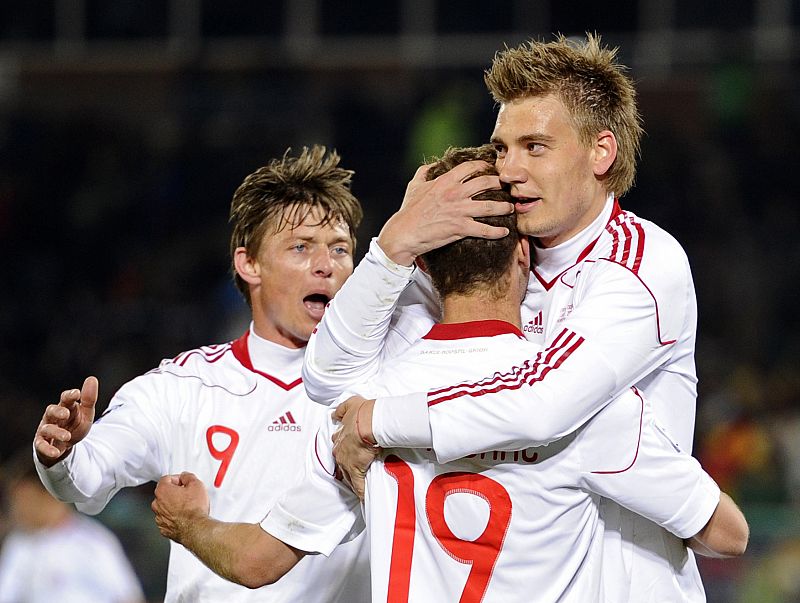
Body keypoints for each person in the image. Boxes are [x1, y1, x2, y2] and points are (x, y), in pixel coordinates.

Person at [149, 146, 748, 602]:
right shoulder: (585, 405)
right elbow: (728, 534)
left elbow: (256, 562)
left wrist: (191, 524)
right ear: (523, 254)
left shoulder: (359, 420)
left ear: (426, 270)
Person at [303, 35, 710, 602]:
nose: (510, 168)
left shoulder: (640, 264)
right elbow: (327, 377)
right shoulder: (487, 253)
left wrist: (378, 420)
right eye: (502, 147)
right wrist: (393, 246)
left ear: (601, 153)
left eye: (535, 147)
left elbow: (547, 405)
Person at [31, 146, 370, 602]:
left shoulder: (382, 385)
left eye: (340, 249)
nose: (325, 265)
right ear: (248, 264)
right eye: (300, 247)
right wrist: (62, 455)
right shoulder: (183, 387)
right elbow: (88, 478)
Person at [0, 448, 145, 603]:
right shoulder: (18, 545)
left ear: (48, 496)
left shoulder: (93, 542)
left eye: (25, 501)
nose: (17, 509)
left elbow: (129, 597)